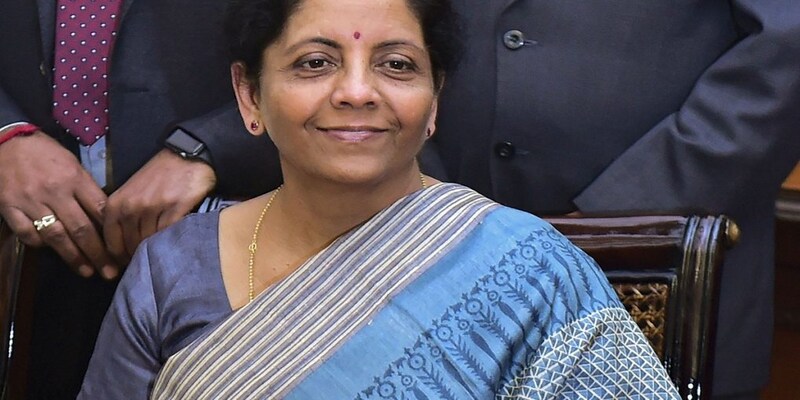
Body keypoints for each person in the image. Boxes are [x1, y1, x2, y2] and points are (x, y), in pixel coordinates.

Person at [78, 0, 680, 398]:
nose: (357, 92)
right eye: (315, 63)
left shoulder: (534, 272)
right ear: (249, 96)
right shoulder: (171, 269)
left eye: (396, 65)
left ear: (435, 99)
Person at [418, 2, 800, 398]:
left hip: (658, 285)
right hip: (436, 269)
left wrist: (621, 223)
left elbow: (789, 45)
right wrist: (420, 183)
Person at [0, 0, 280, 397]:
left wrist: (211, 145)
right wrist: (5, 132)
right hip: (22, 260)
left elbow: (342, 53)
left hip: (232, 249)